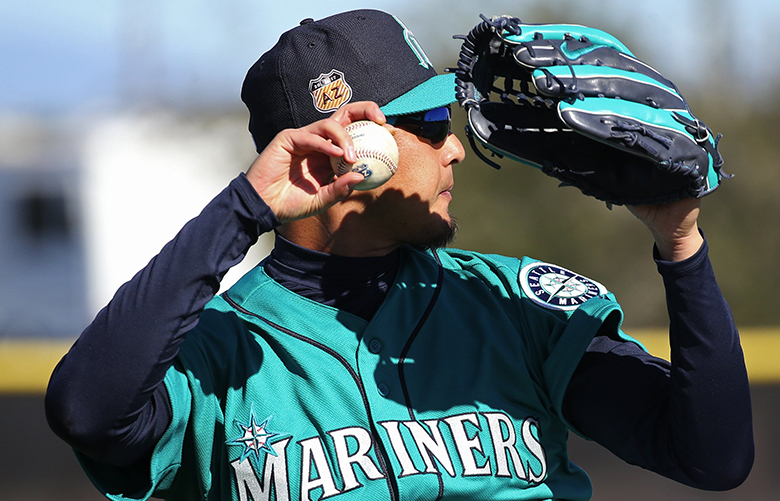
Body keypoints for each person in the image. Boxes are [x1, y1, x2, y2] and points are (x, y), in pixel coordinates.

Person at [45, 9, 753, 501]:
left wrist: (680, 241)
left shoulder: (512, 306)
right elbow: (86, 411)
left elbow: (711, 456)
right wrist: (245, 205)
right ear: (349, 147)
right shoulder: (224, 351)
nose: (454, 148)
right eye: (428, 122)